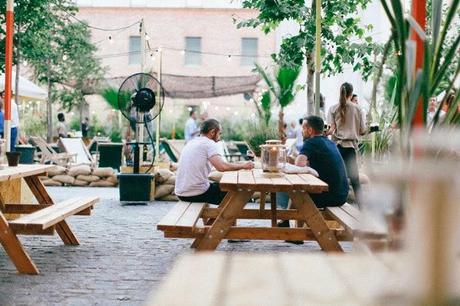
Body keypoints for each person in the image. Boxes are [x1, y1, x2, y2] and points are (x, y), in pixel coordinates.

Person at [277, 116, 349, 240]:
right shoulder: (329, 142)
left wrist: (291, 160)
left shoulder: (312, 142)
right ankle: (287, 222)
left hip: (331, 196)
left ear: (310, 130)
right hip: (342, 194)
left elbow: (299, 163)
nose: (301, 130)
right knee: (299, 191)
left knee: (298, 193)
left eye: (303, 128)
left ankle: (295, 233)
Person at [175, 118, 254, 205]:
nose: (219, 138)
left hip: (181, 192)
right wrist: (243, 166)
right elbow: (221, 167)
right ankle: (219, 219)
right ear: (212, 132)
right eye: (219, 133)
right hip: (195, 193)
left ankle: (212, 217)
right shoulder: (209, 143)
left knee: (217, 186)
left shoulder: (191, 142)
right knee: (237, 194)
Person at [327, 82, 366, 206]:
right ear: (351, 92)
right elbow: (362, 130)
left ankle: (333, 203)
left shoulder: (333, 109)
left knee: (335, 176)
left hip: (336, 147)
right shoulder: (358, 109)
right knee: (355, 179)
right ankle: (362, 207)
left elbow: (331, 129)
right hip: (350, 148)